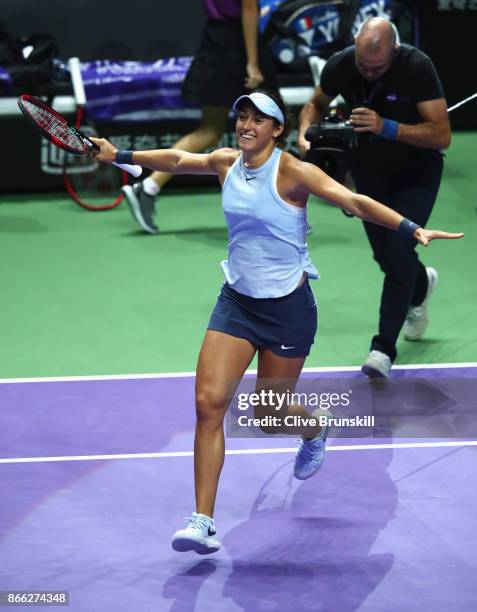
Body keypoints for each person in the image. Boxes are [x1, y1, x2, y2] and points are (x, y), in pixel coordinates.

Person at [90, 89, 462, 555]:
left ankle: (314, 428)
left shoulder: (295, 173)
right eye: (241, 116)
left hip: (288, 310)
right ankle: (202, 520)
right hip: (237, 303)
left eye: (257, 119)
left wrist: (411, 228)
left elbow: (354, 200)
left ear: (277, 129)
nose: (246, 125)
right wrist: (120, 154)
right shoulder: (227, 162)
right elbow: (180, 158)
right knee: (209, 405)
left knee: (269, 414)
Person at [298, 17, 452, 379]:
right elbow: (314, 105)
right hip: (367, 173)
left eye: (377, 67)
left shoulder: (417, 67)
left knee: (399, 249)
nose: (368, 72)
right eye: (363, 66)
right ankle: (420, 287)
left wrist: (387, 127)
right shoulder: (341, 64)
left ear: (394, 51)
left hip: (416, 173)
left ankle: (383, 348)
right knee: (385, 255)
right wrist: (307, 136)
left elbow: (441, 134)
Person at [122, 0, 276, 234]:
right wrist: (253, 63)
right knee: (269, 131)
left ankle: (148, 186)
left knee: (209, 130)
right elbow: (248, 8)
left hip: (214, 40)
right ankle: (278, 211)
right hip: (240, 44)